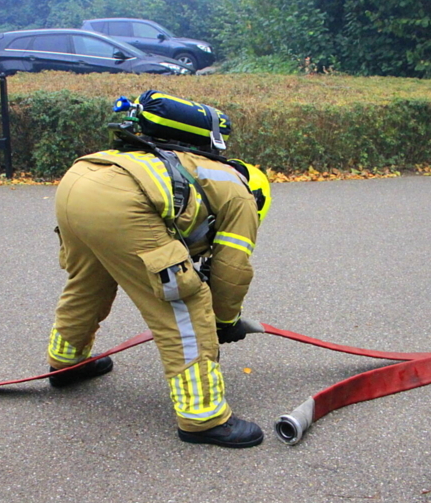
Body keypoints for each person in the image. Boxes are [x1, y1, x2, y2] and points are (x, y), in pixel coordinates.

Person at [45, 90, 272, 448]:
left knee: (90, 281)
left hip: (79, 180)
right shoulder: (242, 196)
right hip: (125, 199)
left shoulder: (195, 164)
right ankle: (203, 417)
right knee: (185, 302)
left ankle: (67, 362)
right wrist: (224, 321)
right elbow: (232, 269)